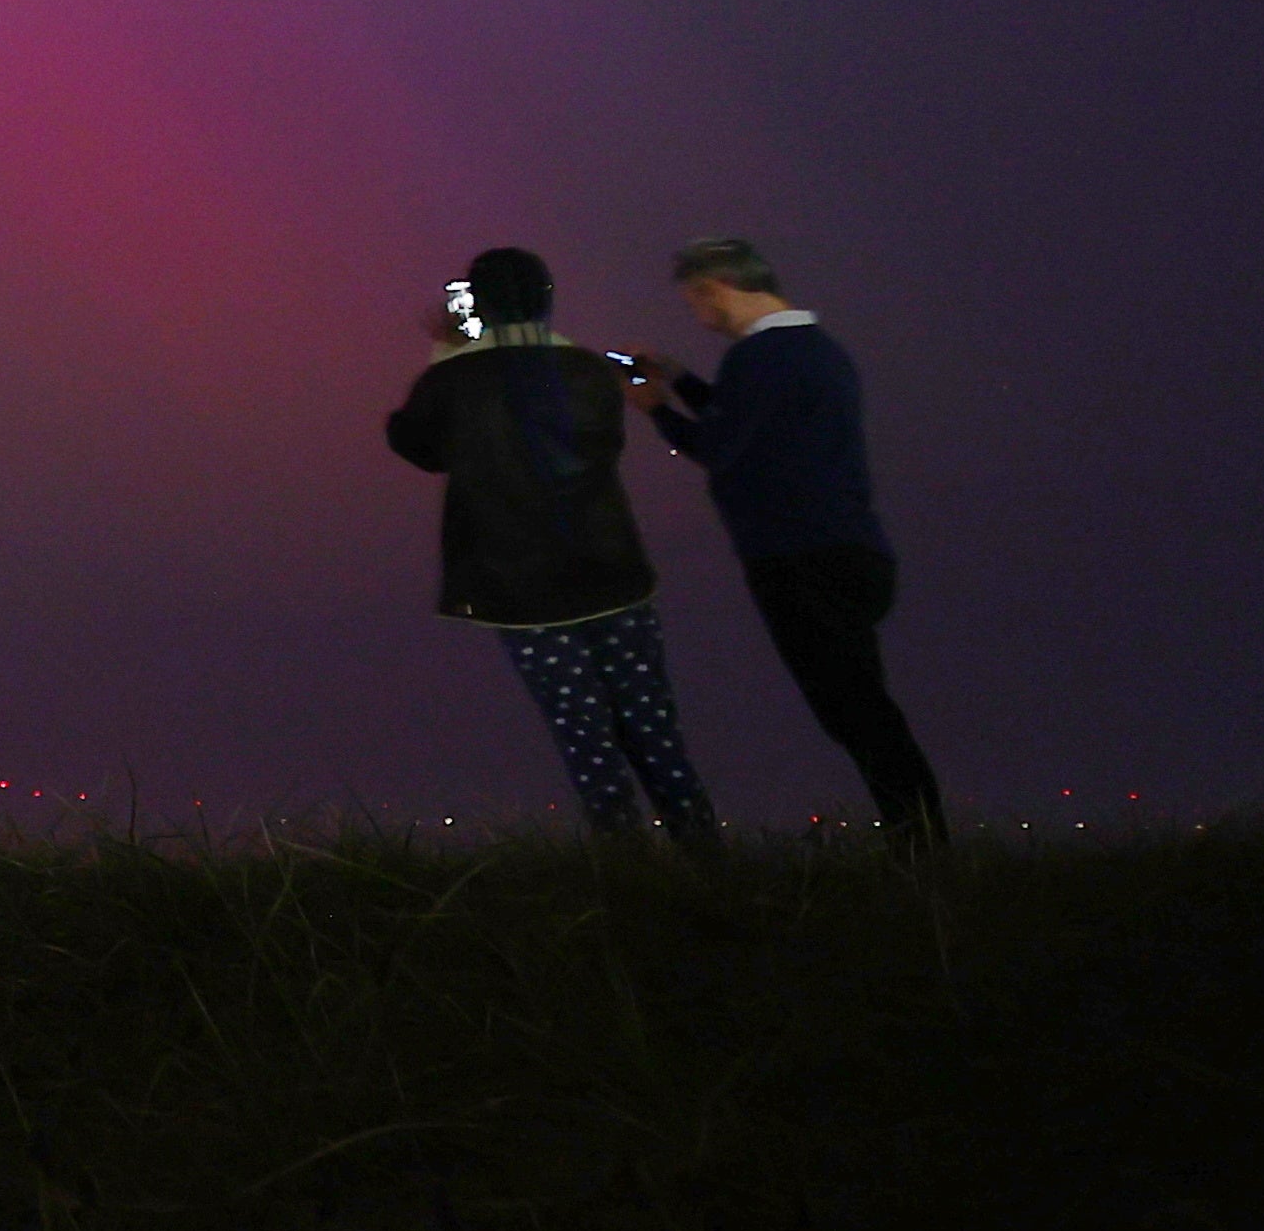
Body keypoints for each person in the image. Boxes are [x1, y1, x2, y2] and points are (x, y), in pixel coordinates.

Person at [385, 247, 717, 848]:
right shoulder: (590, 371)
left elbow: (419, 446)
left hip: (521, 588)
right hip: (612, 570)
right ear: (547, 297)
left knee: (583, 734)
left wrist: (450, 351)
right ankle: (704, 850)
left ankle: (625, 863)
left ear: (474, 307)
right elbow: (602, 441)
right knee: (652, 725)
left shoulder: (452, 379)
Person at [633, 236, 945, 849]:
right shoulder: (812, 351)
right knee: (863, 704)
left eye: (694, 303)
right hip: (850, 548)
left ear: (713, 290)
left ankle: (921, 845)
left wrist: (656, 410)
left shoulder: (758, 359)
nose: (697, 317)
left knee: (855, 713)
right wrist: (683, 380)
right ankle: (919, 840)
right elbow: (751, 419)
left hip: (800, 558)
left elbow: (721, 450)